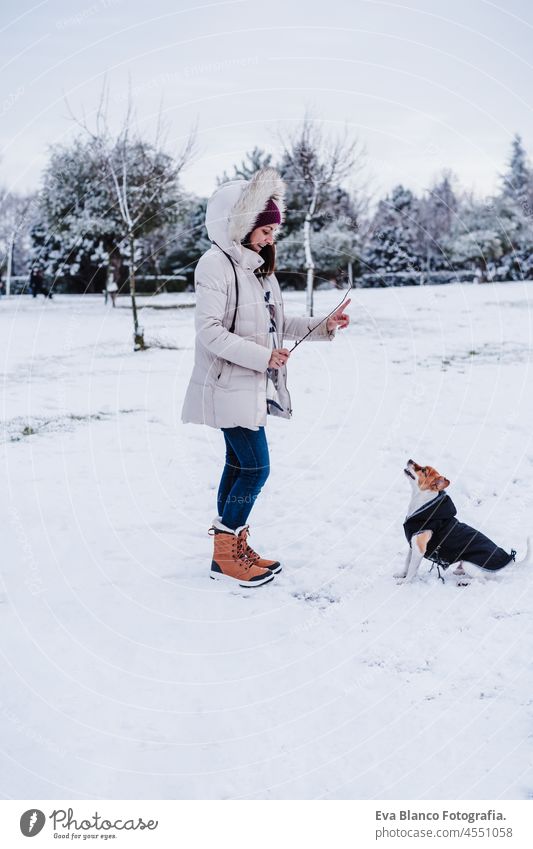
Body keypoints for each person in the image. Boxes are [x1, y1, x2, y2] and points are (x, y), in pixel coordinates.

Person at [181, 167, 350, 587]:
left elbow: (278, 322)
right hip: (227, 383)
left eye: (274, 230)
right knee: (256, 468)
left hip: (250, 384)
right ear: (238, 226)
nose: (271, 238)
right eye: (265, 229)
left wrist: (325, 324)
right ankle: (226, 551)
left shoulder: (259, 270)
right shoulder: (215, 265)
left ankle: (230, 545)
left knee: (239, 464)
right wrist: (263, 357)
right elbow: (210, 331)